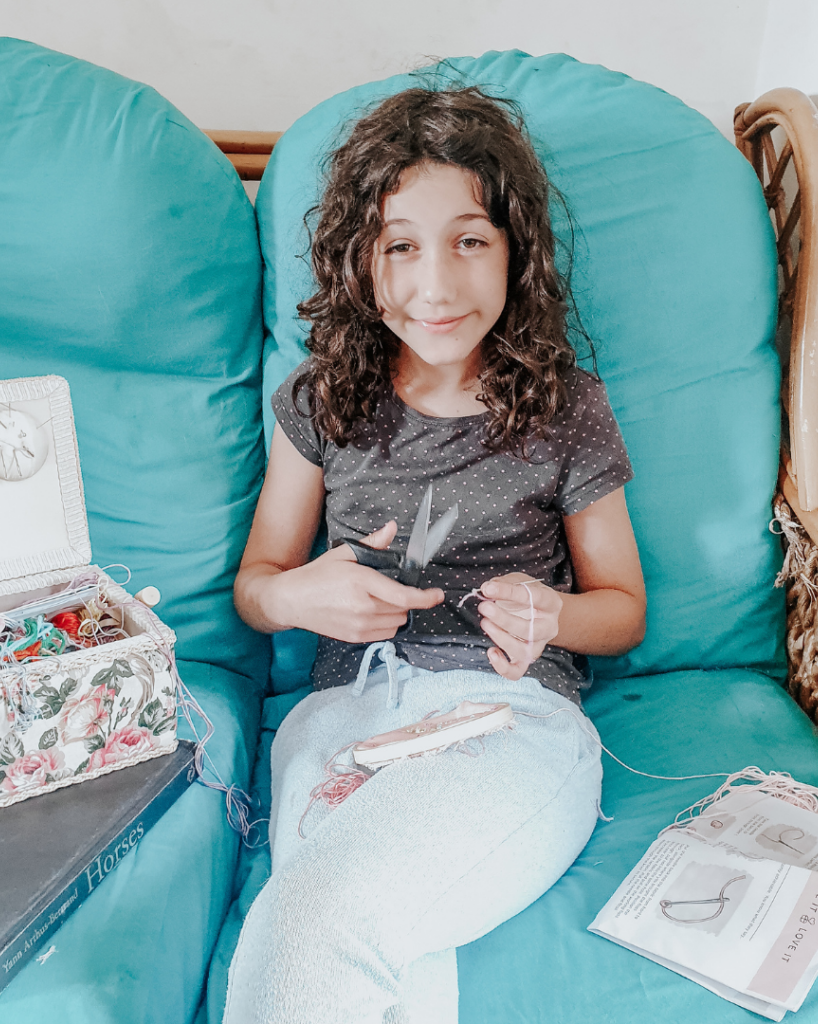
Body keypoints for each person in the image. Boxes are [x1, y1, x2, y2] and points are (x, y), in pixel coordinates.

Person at [226, 85, 646, 1024]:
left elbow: (623, 609)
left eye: (469, 241)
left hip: (508, 716)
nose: (436, 287)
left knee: (318, 920)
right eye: (400, 246)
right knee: (353, 939)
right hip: (342, 713)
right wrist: (303, 598)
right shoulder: (322, 401)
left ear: (515, 253)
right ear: (360, 262)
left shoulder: (568, 407)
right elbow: (255, 589)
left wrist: (557, 614)